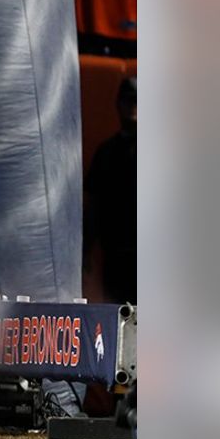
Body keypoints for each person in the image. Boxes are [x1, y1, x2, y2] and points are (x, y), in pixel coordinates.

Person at [84, 77, 136, 304]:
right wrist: (86, 249)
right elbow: (94, 203)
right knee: (119, 319)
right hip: (116, 254)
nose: (133, 106)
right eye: (128, 100)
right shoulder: (107, 152)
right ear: (118, 104)